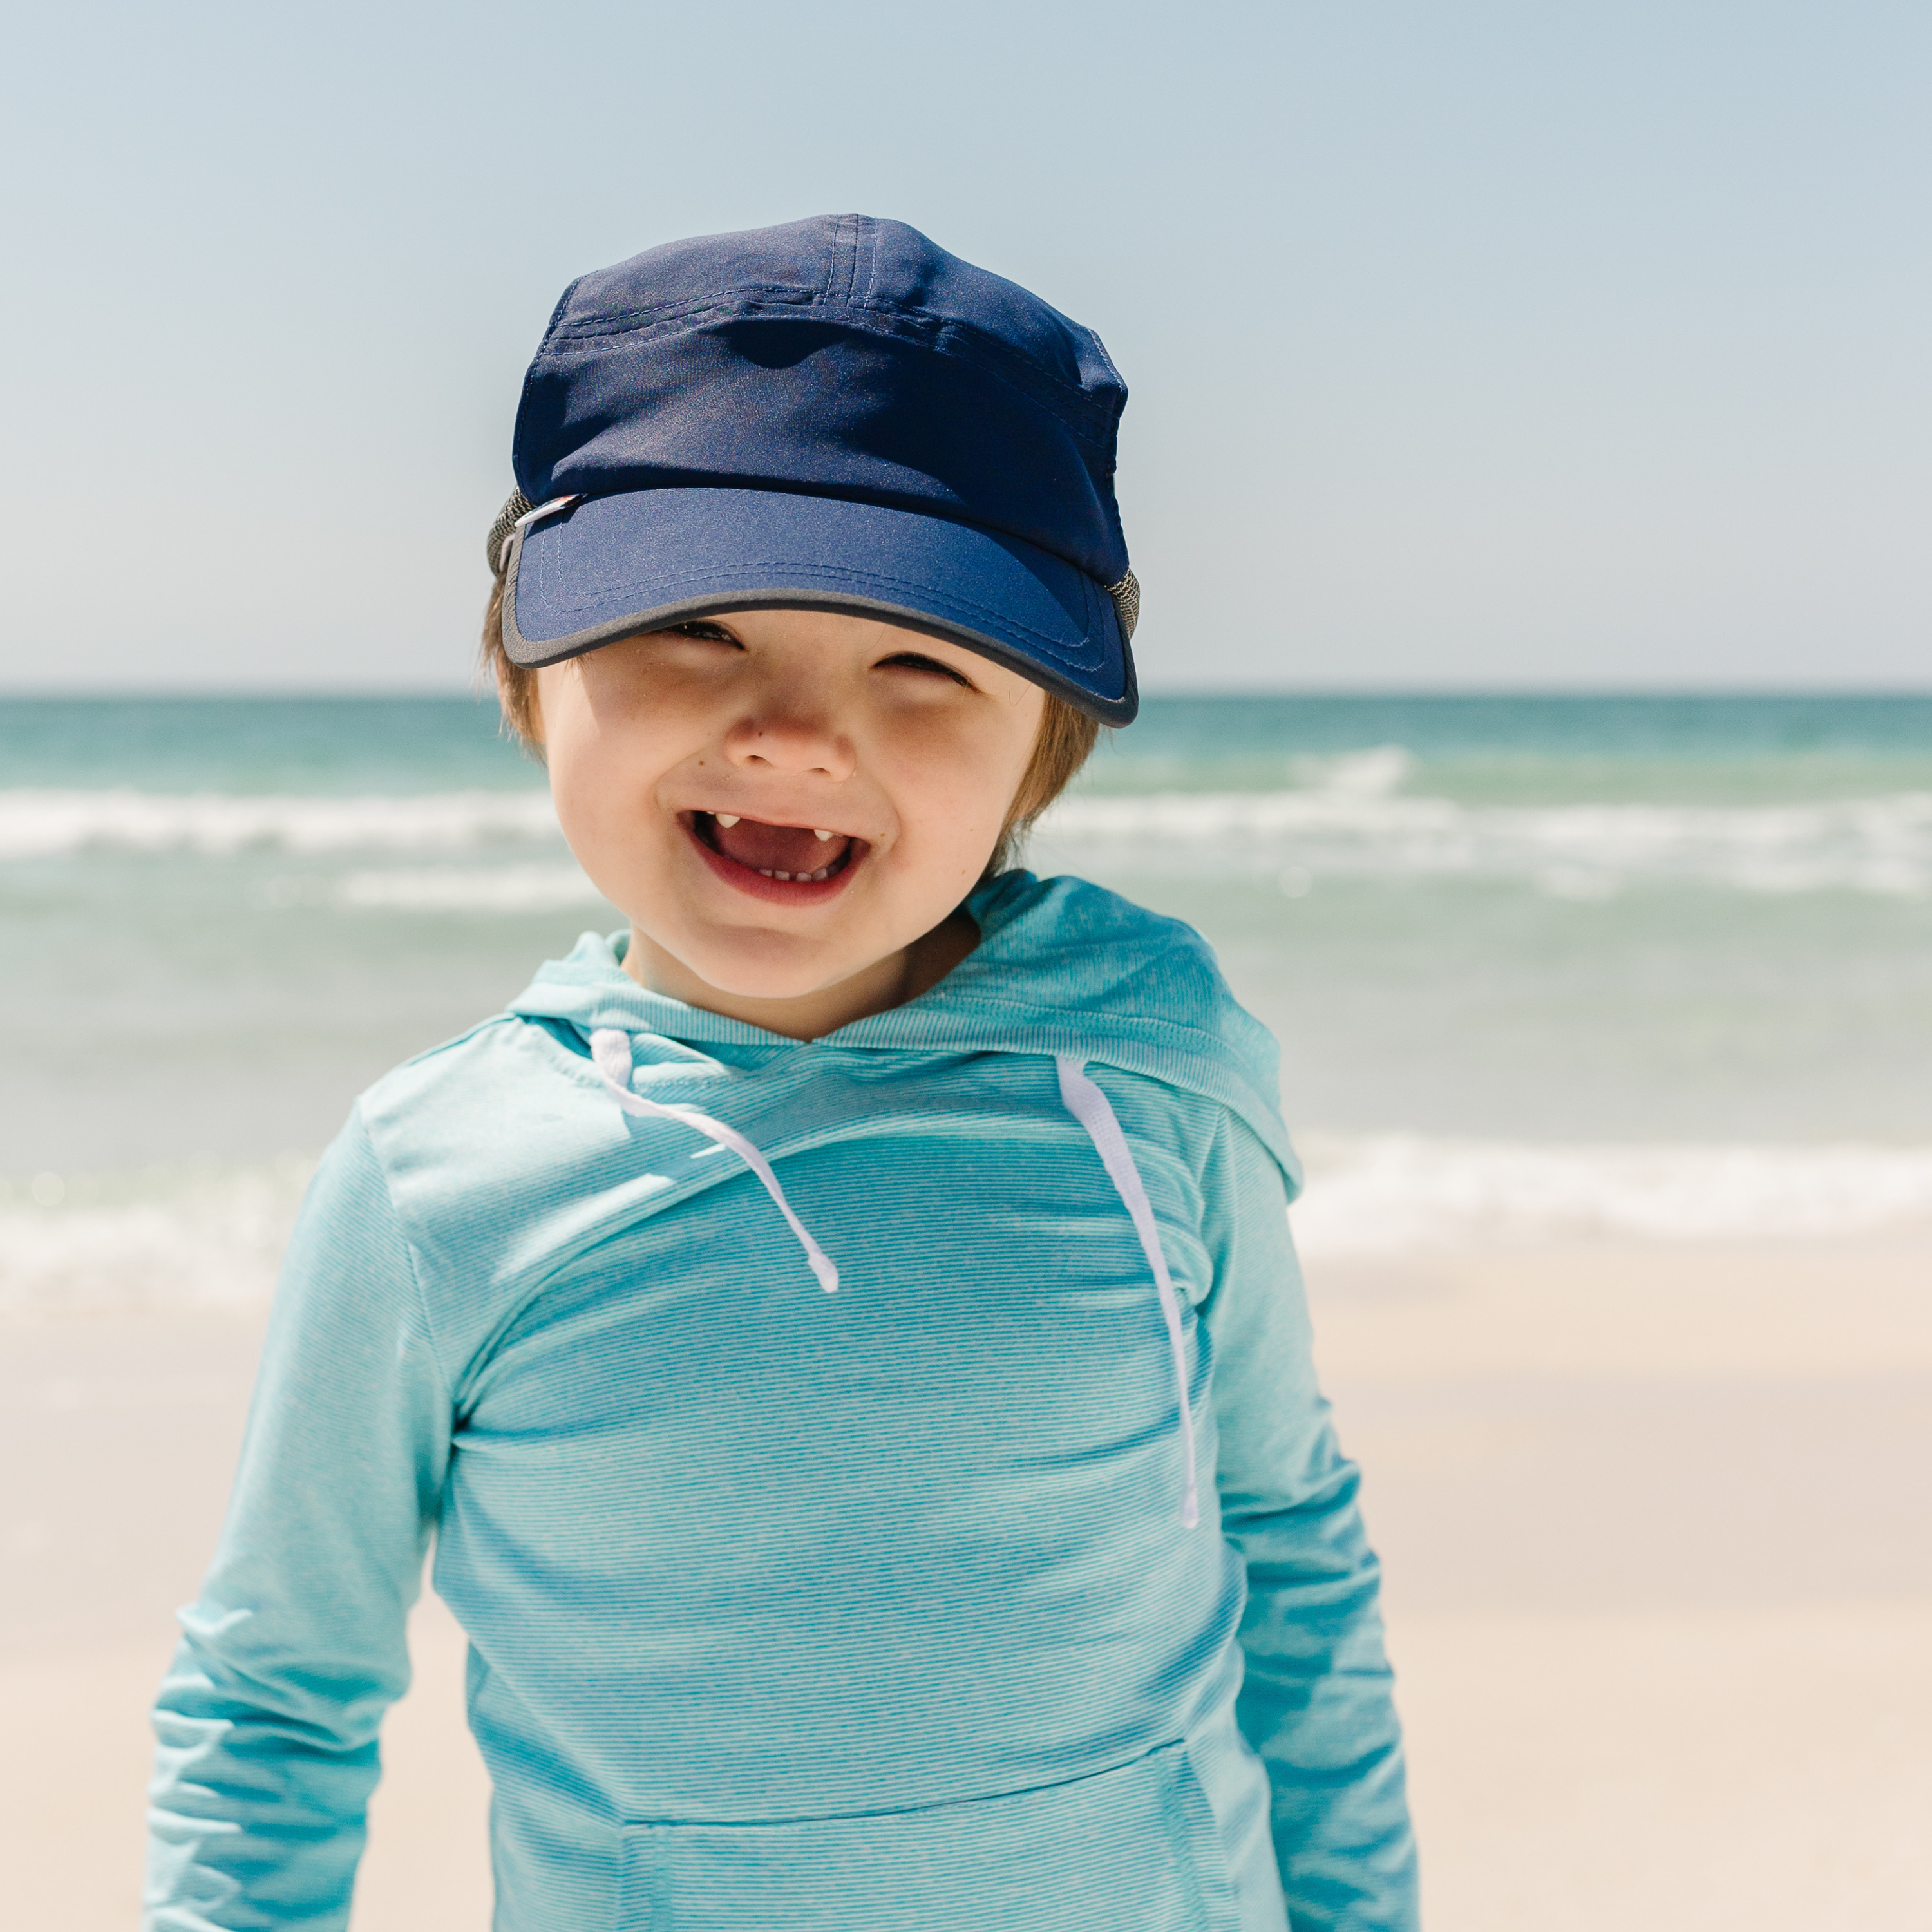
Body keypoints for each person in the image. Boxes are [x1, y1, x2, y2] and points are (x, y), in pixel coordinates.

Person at [144, 214, 1417, 1932]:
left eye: (921, 665)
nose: (797, 733)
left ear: (1043, 747)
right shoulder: (441, 1182)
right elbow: (277, 1694)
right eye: (699, 631)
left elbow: (1290, 1547)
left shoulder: (1150, 1069)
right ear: (535, 670)